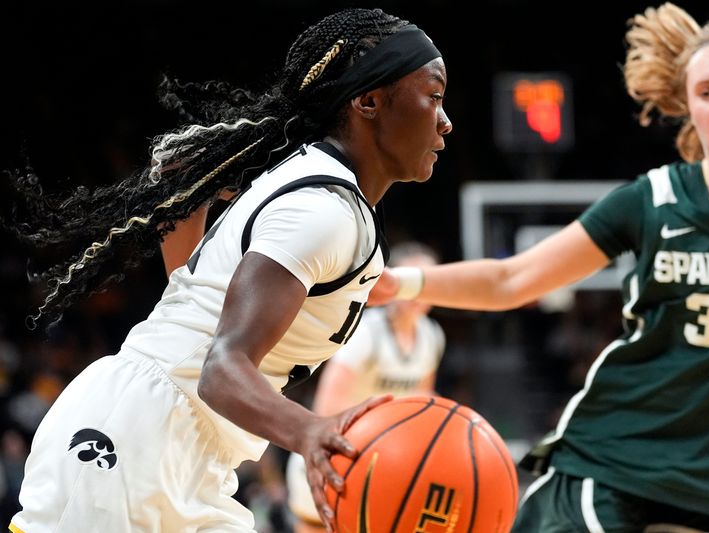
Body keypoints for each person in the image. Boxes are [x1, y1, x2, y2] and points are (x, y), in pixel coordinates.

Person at [3, 7, 451, 532]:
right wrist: (310, 432)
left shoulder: (329, 197)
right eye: (434, 96)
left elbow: (201, 314)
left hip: (183, 443)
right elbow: (222, 368)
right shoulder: (323, 211)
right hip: (134, 435)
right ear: (369, 101)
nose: (446, 121)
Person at [372, 3, 709, 531]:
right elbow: (513, 278)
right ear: (689, 107)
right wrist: (403, 282)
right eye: (706, 92)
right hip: (609, 469)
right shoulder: (654, 200)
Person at [285, 241, 445, 532]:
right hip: (334, 453)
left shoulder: (432, 335)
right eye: (409, 281)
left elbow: (421, 402)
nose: (416, 294)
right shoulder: (366, 331)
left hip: (383, 461)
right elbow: (327, 408)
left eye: (423, 282)